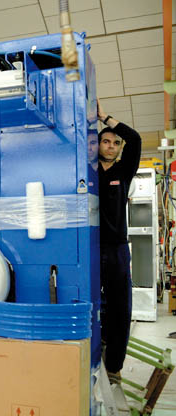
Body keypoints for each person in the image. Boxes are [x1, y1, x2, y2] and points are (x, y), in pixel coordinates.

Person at [97, 101, 142, 383]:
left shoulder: (123, 172)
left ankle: (114, 365)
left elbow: (135, 139)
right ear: (97, 144)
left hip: (116, 249)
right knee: (90, 303)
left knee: (120, 307)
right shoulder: (87, 171)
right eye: (106, 141)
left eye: (115, 143)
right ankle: (93, 349)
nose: (111, 146)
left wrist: (105, 118)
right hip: (89, 249)